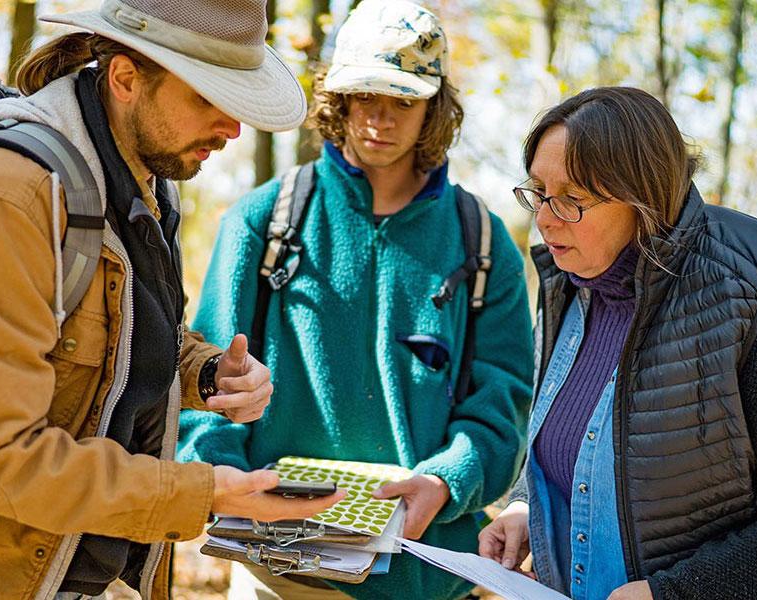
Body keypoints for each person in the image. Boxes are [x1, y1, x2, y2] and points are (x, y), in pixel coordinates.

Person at [0, 1, 345, 598]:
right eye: (209, 98)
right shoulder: (4, 202)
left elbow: (110, 340)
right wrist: (204, 493)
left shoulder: (143, 185)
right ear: (125, 79)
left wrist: (205, 374)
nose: (233, 129)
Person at [177, 1, 534, 598]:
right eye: (366, 96)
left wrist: (449, 480)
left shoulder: (483, 238)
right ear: (337, 99)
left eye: (403, 101)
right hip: (278, 567)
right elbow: (205, 381)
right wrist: (226, 480)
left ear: (435, 106)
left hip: (429, 569)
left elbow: (505, 402)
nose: (380, 119)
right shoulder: (266, 220)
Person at [478, 86, 757, 600]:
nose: (544, 219)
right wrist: (526, 505)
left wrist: (675, 593)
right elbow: (585, 449)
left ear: (644, 197)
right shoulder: (567, 280)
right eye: (538, 191)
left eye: (571, 199)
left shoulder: (755, 281)